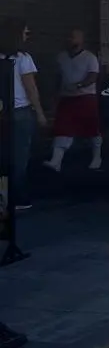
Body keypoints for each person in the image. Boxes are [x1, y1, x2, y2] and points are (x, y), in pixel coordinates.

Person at [0, 18, 46, 211]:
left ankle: (3, 196)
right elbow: (31, 88)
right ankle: (19, 197)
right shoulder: (23, 58)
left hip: (2, 112)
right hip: (20, 112)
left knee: (3, 155)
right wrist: (40, 113)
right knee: (20, 157)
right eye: (25, 32)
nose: (27, 35)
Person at [45, 29, 101, 172]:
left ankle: (97, 157)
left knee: (91, 128)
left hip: (86, 97)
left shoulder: (90, 57)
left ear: (82, 40)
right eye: (69, 37)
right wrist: (55, 95)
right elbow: (58, 78)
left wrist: (79, 85)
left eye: (74, 37)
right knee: (62, 128)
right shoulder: (61, 57)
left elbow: (93, 76)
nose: (71, 40)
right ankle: (56, 161)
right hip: (66, 98)